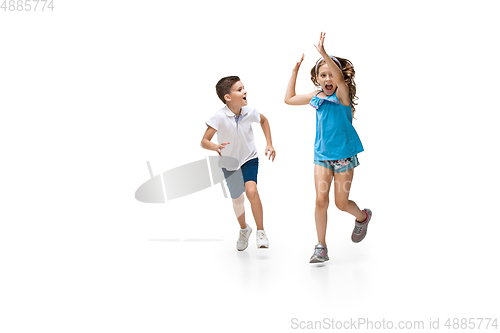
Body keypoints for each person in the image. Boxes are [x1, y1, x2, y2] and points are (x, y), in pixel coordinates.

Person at [284, 32, 372, 263]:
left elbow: (341, 80)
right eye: (323, 75)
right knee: (320, 200)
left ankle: (362, 217)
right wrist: (295, 70)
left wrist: (323, 53)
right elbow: (289, 99)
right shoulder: (317, 96)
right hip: (322, 157)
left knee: (341, 203)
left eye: (332, 74)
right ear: (317, 79)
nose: (328, 79)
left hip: (343, 156)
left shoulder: (343, 94)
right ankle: (321, 246)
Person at [201, 76, 276, 251]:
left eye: (244, 88)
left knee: (251, 191)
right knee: (237, 200)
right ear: (228, 97)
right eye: (240, 89)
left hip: (249, 158)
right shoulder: (219, 117)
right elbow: (204, 141)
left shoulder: (250, 111)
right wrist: (215, 146)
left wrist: (269, 144)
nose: (245, 91)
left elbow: (264, 121)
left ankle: (261, 231)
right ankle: (244, 229)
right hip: (229, 163)